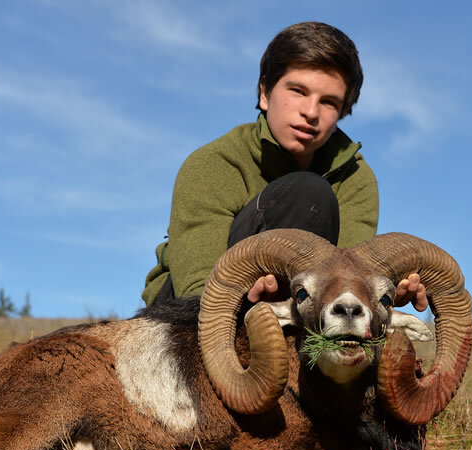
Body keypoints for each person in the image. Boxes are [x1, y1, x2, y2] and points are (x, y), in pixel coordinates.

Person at [142, 21, 427, 311]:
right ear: (265, 92)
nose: (311, 112)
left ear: (342, 112)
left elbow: (348, 279)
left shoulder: (356, 178)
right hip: (187, 311)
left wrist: (381, 292)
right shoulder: (213, 164)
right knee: (308, 193)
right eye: (298, 91)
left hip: (306, 309)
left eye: (328, 102)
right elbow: (196, 287)